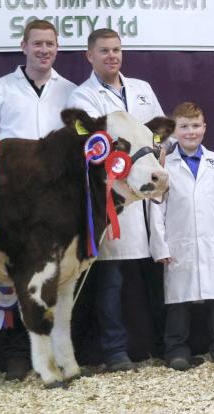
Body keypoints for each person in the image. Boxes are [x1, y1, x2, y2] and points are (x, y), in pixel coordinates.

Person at [0, 19, 76, 379]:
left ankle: (56, 352)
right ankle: (17, 352)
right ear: (24, 46)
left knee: (51, 275)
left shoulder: (70, 91)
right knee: (12, 270)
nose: (44, 50)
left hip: (54, 202)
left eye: (50, 44)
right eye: (37, 43)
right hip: (12, 199)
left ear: (57, 48)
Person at [67, 28, 166, 372]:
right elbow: (90, 147)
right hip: (112, 197)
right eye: (105, 50)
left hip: (149, 189)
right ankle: (115, 351)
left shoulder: (142, 89)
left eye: (117, 50)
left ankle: (167, 345)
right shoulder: (82, 96)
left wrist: (158, 152)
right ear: (89, 55)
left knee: (157, 271)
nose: (112, 56)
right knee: (110, 279)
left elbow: (157, 133)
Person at [150, 102, 214, 370]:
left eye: (195, 126)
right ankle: (176, 350)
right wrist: (159, 245)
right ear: (173, 131)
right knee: (179, 300)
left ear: (204, 127)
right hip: (178, 241)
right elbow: (156, 207)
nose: (190, 132)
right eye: (184, 126)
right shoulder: (164, 165)